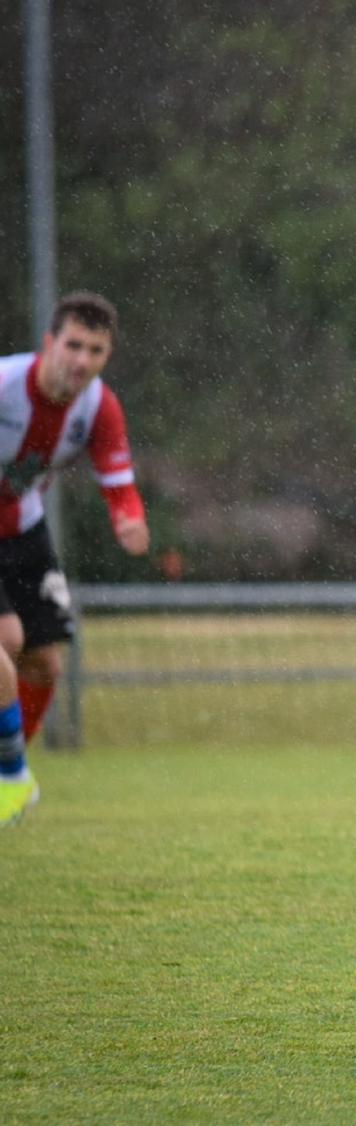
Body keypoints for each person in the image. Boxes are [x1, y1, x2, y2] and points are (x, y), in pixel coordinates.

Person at [0, 292, 150, 825]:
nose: (81, 360)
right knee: (7, 640)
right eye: (73, 345)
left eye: (95, 350)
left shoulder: (98, 408)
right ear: (48, 344)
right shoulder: (6, 385)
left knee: (44, 662)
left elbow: (118, 481)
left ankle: (9, 773)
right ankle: (11, 776)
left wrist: (128, 518)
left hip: (22, 528)